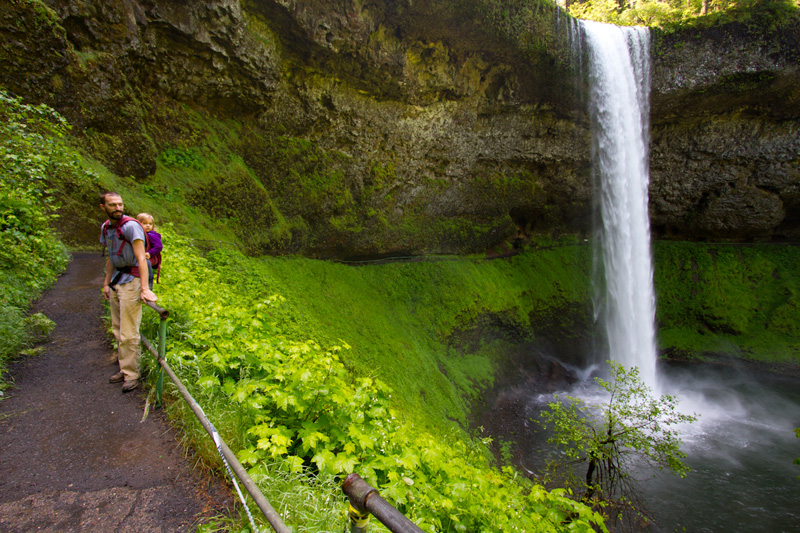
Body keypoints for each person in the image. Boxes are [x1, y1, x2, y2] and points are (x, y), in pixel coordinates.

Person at [99, 192, 157, 393]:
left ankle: (132, 374)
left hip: (132, 280)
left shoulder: (131, 227)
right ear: (103, 207)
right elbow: (110, 256)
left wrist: (145, 288)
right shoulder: (107, 228)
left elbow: (142, 258)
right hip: (117, 280)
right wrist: (106, 283)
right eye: (112, 204)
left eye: (120, 204)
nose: (117, 208)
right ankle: (125, 369)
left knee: (129, 331)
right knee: (117, 327)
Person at [136, 212, 163, 290]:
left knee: (148, 272)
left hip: (148, 258)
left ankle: (149, 288)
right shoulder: (142, 234)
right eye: (144, 223)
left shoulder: (151, 235)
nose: (148, 226)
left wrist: (150, 253)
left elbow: (158, 246)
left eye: (150, 224)